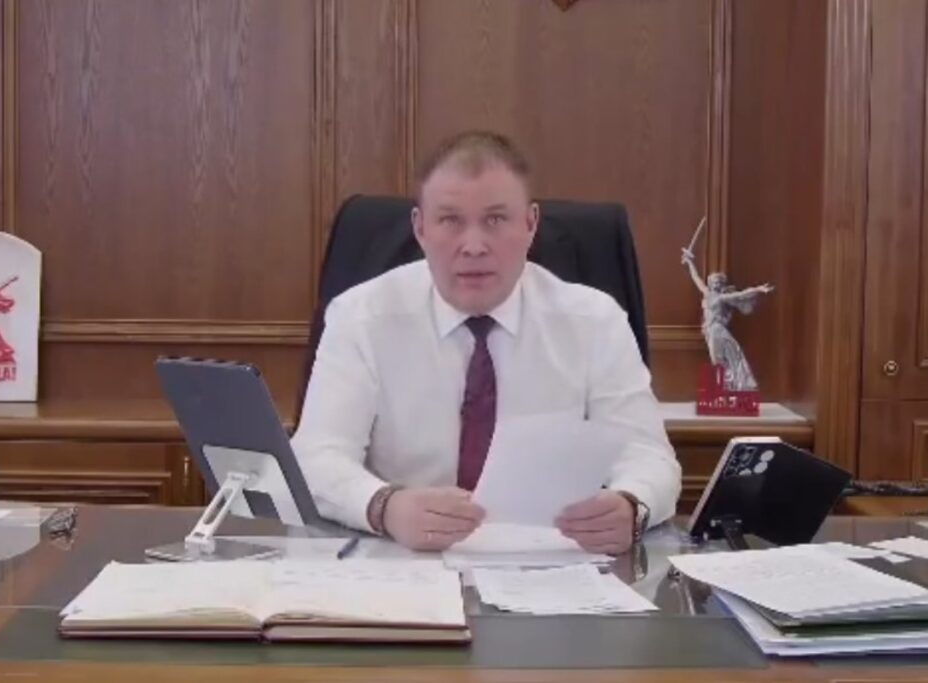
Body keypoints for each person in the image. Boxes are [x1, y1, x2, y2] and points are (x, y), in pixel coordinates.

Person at [292, 131, 681, 554]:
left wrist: (632, 505)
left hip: (552, 565)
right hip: (400, 564)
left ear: (530, 224)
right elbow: (315, 458)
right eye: (450, 220)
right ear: (420, 228)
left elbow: (650, 457)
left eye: (495, 220)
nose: (474, 247)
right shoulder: (360, 317)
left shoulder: (595, 322)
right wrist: (385, 506)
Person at [680, 250, 773, 391]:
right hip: (709, 331)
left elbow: (742, 294)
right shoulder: (706, 293)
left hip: (717, 330)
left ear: (721, 285)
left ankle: (729, 385)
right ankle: (726, 385)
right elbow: (696, 278)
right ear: (710, 284)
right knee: (717, 359)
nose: (716, 284)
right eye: (713, 282)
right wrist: (690, 262)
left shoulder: (722, 298)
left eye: (718, 282)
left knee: (720, 358)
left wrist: (758, 289)